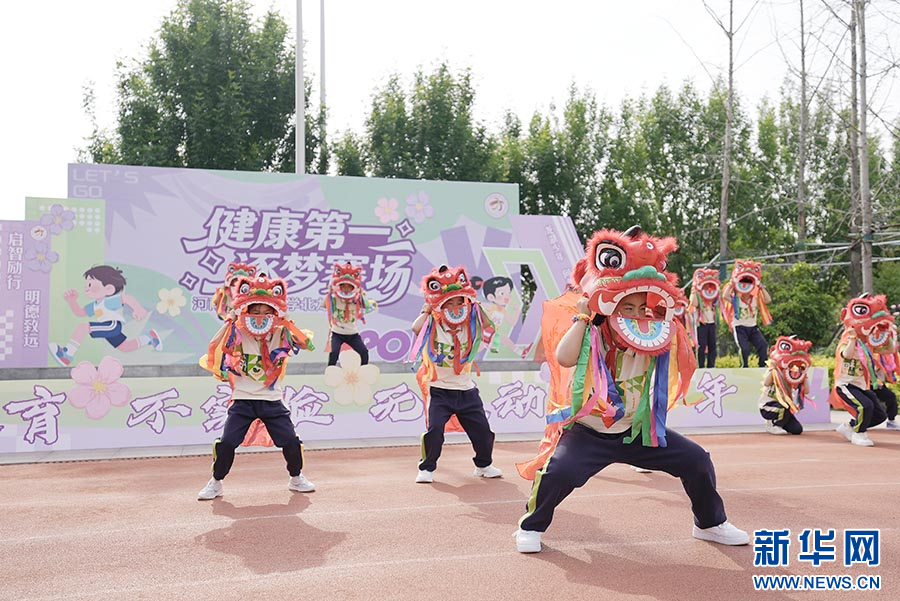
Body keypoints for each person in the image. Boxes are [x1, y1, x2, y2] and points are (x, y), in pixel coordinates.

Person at [515, 226, 748, 553]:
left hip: (638, 430)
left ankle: (709, 524)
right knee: (558, 473)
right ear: (611, 308)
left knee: (697, 460)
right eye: (628, 308)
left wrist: (667, 315)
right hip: (590, 432)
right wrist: (583, 318)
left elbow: (679, 346)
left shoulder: (655, 336)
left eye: (642, 308)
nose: (637, 315)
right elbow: (564, 357)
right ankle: (530, 526)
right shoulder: (594, 333)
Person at [197, 274, 316, 499]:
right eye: (255, 311)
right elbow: (218, 346)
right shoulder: (237, 331)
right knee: (227, 443)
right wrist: (232, 320)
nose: (260, 317)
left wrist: (286, 320)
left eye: (266, 312)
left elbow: (306, 343)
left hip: (272, 400)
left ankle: (296, 477)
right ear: (246, 311)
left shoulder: (281, 332)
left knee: (291, 441)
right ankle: (216, 481)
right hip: (243, 400)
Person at [408, 265, 502, 484]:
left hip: (466, 390)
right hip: (439, 390)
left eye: (458, 302)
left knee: (483, 432)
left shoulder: (470, 324)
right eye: (449, 303)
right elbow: (416, 328)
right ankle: (427, 468)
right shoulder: (433, 324)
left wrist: (475, 304)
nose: (454, 307)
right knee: (434, 431)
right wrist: (427, 310)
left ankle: (483, 465)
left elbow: (488, 324)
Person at [50, 265, 161, 366]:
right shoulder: (94, 305)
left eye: (90, 284)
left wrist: (139, 309)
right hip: (108, 327)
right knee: (125, 347)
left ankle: (67, 354)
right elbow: (80, 312)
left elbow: (126, 298)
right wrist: (72, 301)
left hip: (112, 325)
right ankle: (149, 338)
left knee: (83, 327)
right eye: (86, 284)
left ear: (108, 289)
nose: (86, 288)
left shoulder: (108, 301)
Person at [829, 294, 895, 447]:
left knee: (880, 415)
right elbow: (847, 354)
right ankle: (859, 434)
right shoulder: (847, 339)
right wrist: (853, 338)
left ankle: (849, 427)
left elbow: (890, 350)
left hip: (861, 385)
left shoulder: (868, 343)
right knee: (865, 406)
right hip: (845, 385)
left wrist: (887, 334)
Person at [322, 262, 376, 366]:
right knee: (334, 353)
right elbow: (325, 305)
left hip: (352, 333)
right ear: (340, 287)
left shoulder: (357, 299)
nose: (346, 289)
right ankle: (330, 371)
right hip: (337, 333)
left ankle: (363, 371)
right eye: (344, 286)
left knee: (364, 352)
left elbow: (366, 306)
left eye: (349, 287)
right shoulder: (335, 298)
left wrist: (362, 294)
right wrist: (329, 293)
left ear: (352, 288)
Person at [720, 260, 772, 367]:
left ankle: (762, 366)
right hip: (739, 327)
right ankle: (744, 367)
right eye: (743, 282)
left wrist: (761, 287)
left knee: (763, 345)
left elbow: (768, 300)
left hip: (753, 327)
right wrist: (731, 283)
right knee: (744, 349)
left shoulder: (755, 298)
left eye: (749, 283)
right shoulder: (736, 299)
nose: (745, 285)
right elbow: (725, 296)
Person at [758, 336, 813, 435]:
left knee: (797, 430)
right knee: (785, 406)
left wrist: (804, 375)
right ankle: (773, 425)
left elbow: (806, 391)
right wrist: (774, 369)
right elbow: (766, 383)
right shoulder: (774, 370)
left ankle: (780, 422)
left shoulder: (792, 374)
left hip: (785, 408)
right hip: (768, 406)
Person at [688, 268, 721, 368]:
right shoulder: (697, 295)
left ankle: (711, 366)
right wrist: (694, 289)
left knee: (712, 346)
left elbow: (719, 301)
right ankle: (701, 367)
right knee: (701, 346)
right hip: (701, 324)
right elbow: (693, 303)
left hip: (711, 323)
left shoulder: (713, 296)